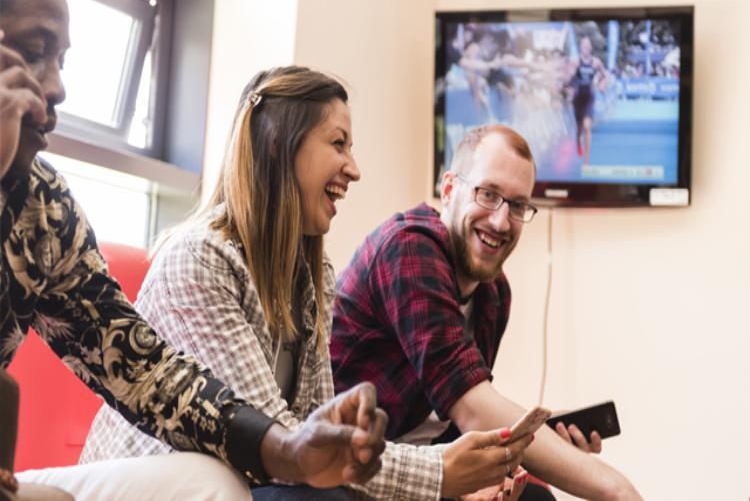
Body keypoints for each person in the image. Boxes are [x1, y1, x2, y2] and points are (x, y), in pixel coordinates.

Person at [0, 0, 387, 498]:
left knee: (205, 480)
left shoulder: (42, 206)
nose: (56, 85)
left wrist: (288, 450)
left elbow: (144, 369)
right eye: (35, 52)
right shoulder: (205, 255)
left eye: (61, 60)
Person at [82, 66, 535, 500]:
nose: (354, 169)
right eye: (339, 144)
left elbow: (317, 437)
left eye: (517, 205)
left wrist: (461, 478)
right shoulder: (199, 260)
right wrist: (439, 475)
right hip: (170, 485)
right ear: (282, 144)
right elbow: (284, 445)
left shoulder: (313, 278)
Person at [331, 124, 644, 500]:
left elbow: (452, 429)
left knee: (534, 497)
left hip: (423, 473)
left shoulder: (494, 294)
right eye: (488, 194)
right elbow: (474, 410)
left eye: (517, 205)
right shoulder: (409, 248)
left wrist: (514, 466)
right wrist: (618, 489)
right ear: (449, 190)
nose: (500, 221)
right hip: (353, 472)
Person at [565, 36, 610, 164]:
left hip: (589, 97)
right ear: (580, 48)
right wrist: (569, 82)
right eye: (583, 46)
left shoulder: (596, 62)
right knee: (579, 128)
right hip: (578, 98)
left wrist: (602, 85)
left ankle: (586, 157)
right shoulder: (575, 62)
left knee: (587, 127)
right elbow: (567, 80)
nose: (586, 48)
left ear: (590, 48)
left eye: (588, 46)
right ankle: (578, 142)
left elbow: (606, 76)